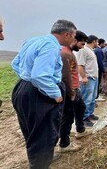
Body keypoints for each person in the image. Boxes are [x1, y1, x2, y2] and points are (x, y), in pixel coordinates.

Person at [12, 19, 77, 169]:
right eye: (73, 36)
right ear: (66, 34)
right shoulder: (51, 47)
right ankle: (39, 164)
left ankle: (38, 160)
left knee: (31, 131)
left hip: (23, 87)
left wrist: (25, 79)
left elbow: (16, 63)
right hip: (39, 93)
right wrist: (56, 94)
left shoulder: (34, 41)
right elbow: (39, 76)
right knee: (44, 135)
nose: (74, 39)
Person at [58, 30, 92, 153]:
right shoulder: (65, 54)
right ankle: (64, 144)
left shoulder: (70, 53)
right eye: (82, 44)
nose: (82, 47)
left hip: (75, 89)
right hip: (70, 91)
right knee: (67, 117)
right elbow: (65, 76)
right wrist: (71, 93)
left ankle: (80, 130)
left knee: (80, 108)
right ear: (74, 40)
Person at [75, 35, 99, 127]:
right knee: (86, 99)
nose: (97, 44)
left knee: (92, 98)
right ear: (94, 41)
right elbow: (80, 65)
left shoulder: (90, 51)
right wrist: (83, 77)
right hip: (87, 79)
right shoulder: (83, 50)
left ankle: (89, 114)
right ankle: (83, 118)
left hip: (93, 78)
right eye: (97, 42)